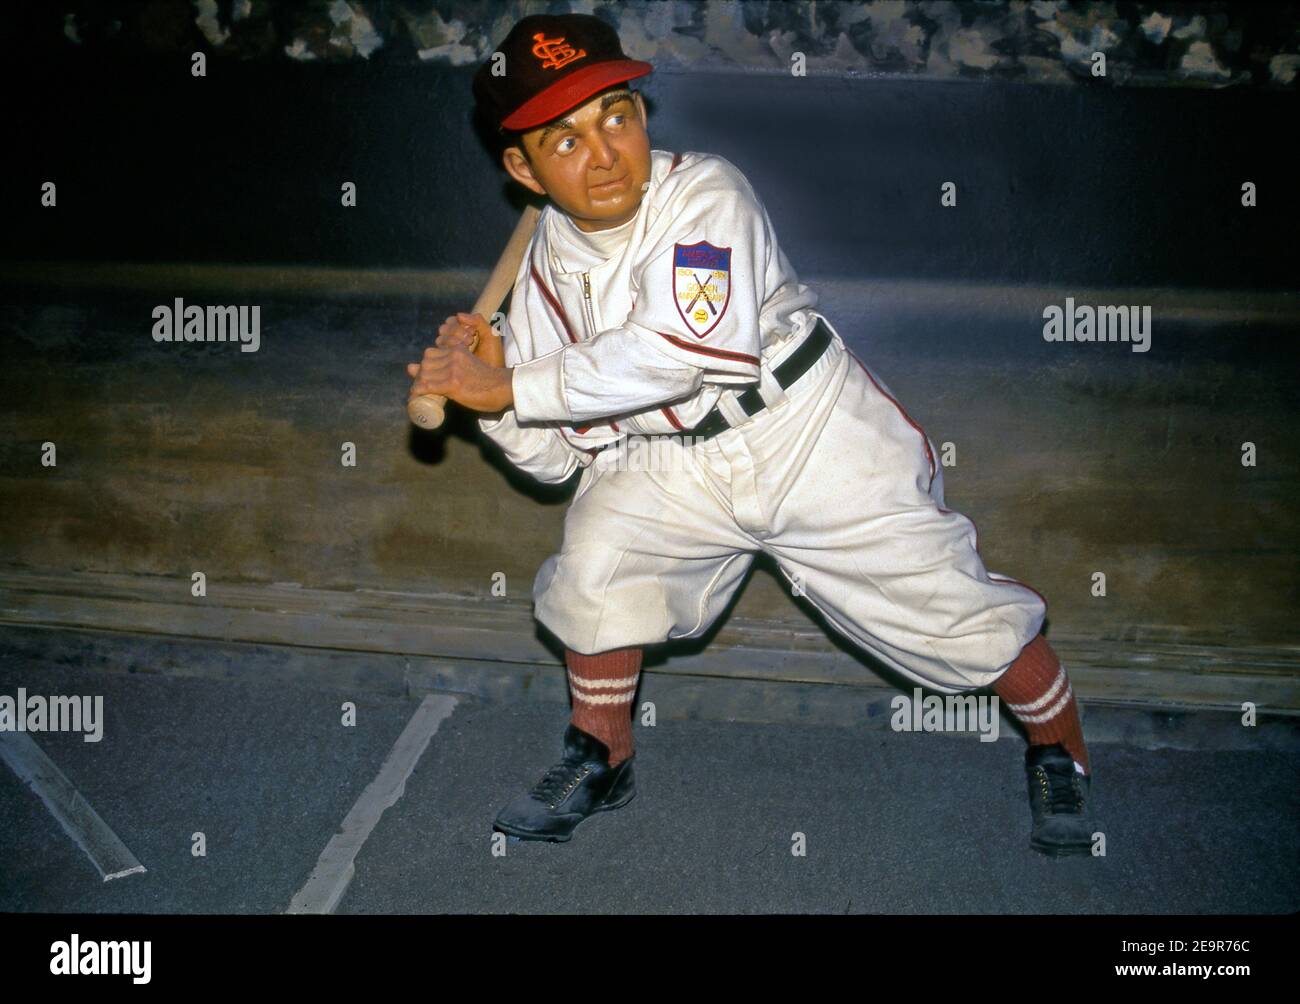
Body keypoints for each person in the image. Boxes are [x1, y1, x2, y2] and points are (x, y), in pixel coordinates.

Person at [406, 12, 1095, 857]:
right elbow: (557, 457)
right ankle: (601, 756)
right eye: (566, 139)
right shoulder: (543, 275)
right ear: (523, 167)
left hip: (803, 431)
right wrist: (495, 398)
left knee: (953, 613)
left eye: (616, 117)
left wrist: (510, 381)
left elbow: (677, 359)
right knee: (596, 563)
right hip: (666, 461)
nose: (605, 154)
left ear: (642, 116)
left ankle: (1060, 747)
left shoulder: (706, 193)